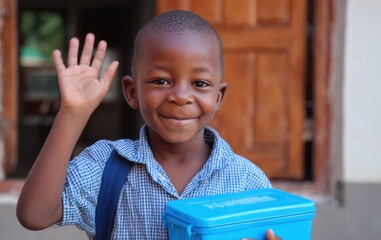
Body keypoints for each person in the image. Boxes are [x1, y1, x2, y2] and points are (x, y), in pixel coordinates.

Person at [16, 10, 279, 240]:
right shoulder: (106, 166)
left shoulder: (247, 181)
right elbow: (34, 215)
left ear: (218, 97)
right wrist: (73, 113)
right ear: (132, 92)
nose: (181, 96)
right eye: (161, 81)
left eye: (200, 84)